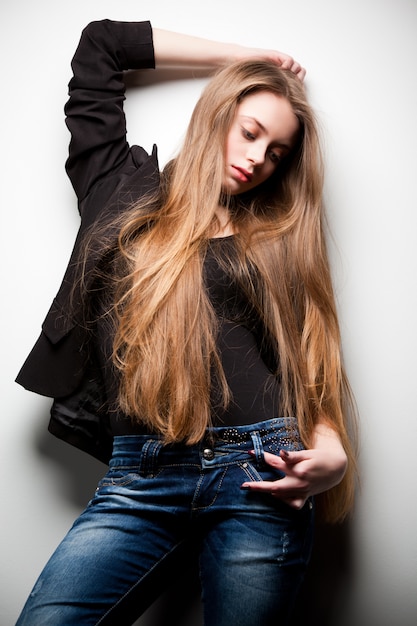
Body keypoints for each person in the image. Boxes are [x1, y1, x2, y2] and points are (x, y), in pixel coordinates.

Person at [15, 19, 358, 626]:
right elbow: (101, 46)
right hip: (139, 478)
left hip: (262, 472)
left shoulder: (274, 238)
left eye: (276, 153)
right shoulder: (118, 188)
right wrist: (247, 59)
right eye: (250, 132)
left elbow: (308, 356)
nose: (257, 159)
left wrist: (331, 449)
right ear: (219, 114)